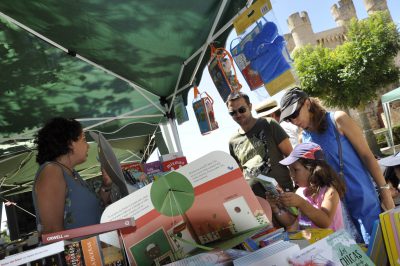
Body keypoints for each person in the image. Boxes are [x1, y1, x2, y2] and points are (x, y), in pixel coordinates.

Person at [279, 87, 395, 243]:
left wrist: (385, 192)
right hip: (335, 208)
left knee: (379, 247)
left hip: (363, 198)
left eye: (294, 114)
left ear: (307, 103)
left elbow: (367, 156)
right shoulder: (303, 139)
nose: (293, 121)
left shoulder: (338, 119)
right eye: (288, 119)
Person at [32, 117, 113, 234]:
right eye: (84, 139)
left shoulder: (72, 174)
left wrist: (106, 185)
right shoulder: (51, 171)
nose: (88, 146)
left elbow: (94, 208)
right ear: (69, 143)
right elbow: (52, 232)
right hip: (80, 251)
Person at [227, 92, 294, 197]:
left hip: (284, 195)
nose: (238, 114)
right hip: (258, 202)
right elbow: (239, 174)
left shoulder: (268, 124)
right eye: (233, 113)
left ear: (250, 107)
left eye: (241, 110)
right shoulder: (233, 141)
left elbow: (291, 156)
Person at [267, 142, 346, 231]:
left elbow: (325, 222)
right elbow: (291, 221)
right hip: (313, 243)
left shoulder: (329, 192)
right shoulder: (300, 192)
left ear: (312, 169)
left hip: (332, 242)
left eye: (295, 170)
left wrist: (301, 203)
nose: (291, 175)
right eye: (290, 170)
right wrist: (276, 207)